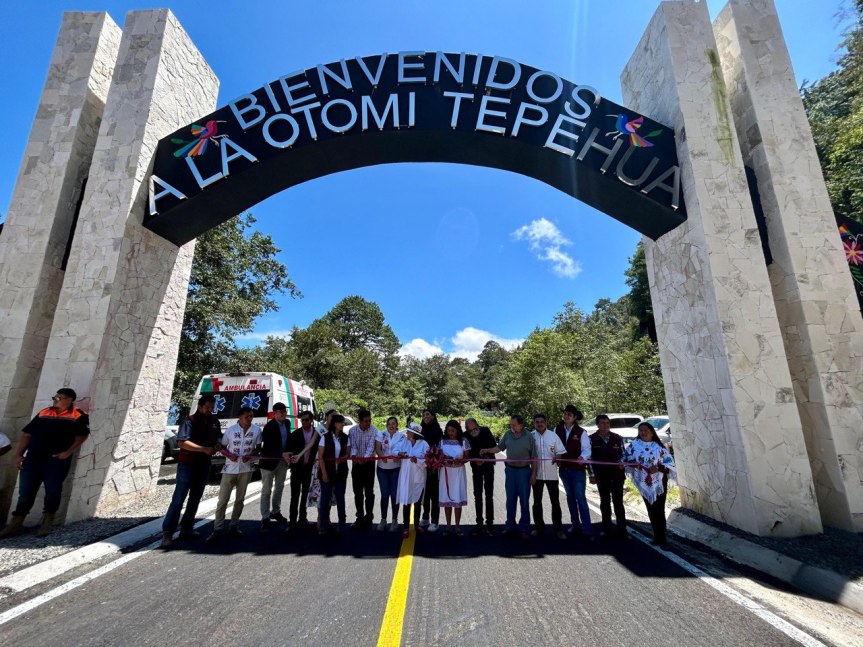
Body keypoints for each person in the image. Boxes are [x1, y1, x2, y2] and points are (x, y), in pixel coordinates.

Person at [0, 388, 90, 539]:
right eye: (55, 397)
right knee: (25, 492)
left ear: (69, 400)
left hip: (55, 461)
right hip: (33, 459)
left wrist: (68, 452)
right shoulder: (45, 412)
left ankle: (47, 522)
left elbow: (82, 436)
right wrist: (19, 454)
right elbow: (27, 434)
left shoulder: (78, 415)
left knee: (53, 491)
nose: (55, 400)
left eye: (59, 398)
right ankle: (16, 524)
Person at [160, 394, 222, 548]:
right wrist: (204, 449)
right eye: (207, 407)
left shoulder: (214, 421)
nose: (209, 410)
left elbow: (218, 437)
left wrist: (218, 444)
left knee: (195, 498)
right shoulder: (189, 421)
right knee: (178, 499)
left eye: (212, 408)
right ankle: (167, 532)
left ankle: (187, 528)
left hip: (204, 465)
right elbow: (182, 442)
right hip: (187, 465)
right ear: (200, 406)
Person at [207, 407, 262, 542]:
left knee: (240, 499)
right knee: (223, 500)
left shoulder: (256, 430)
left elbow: (258, 447)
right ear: (240, 417)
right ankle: (217, 528)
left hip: (246, 469)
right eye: (247, 416)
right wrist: (228, 455)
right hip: (229, 469)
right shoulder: (231, 430)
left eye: (251, 416)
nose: (250, 419)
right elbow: (222, 447)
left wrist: (251, 455)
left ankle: (234, 525)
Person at [480, 415, 537, 539]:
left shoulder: (529, 436)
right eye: (510, 424)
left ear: (521, 425)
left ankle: (524, 528)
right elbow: (499, 447)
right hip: (510, 471)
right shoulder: (508, 434)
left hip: (524, 472)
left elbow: (534, 457)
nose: (512, 427)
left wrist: (533, 474)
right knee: (510, 500)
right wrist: (487, 450)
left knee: (524, 501)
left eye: (514, 425)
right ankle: (509, 526)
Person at [624, 421, 676, 547]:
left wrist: (658, 468)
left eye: (646, 430)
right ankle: (656, 535)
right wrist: (634, 464)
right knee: (651, 509)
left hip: (659, 482)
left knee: (660, 509)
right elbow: (627, 459)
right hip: (644, 482)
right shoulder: (633, 446)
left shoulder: (659, 447)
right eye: (641, 430)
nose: (643, 432)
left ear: (652, 432)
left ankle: (662, 537)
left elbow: (669, 463)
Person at [555, 404, 593, 538]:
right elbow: (553, 446)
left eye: (569, 415)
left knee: (580, 498)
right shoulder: (557, 429)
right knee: (570, 497)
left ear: (575, 417)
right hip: (563, 469)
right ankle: (575, 525)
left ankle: (587, 529)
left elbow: (587, 449)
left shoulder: (581, 432)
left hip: (577, 470)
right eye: (565, 413)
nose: (566, 416)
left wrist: (582, 457)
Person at [589, 414, 628, 539]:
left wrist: (623, 462)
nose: (605, 425)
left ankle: (622, 530)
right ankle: (606, 529)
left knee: (618, 503)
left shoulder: (618, 438)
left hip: (617, 475)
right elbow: (589, 458)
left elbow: (624, 454)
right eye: (602, 423)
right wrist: (591, 474)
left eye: (607, 423)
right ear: (597, 425)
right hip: (601, 476)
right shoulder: (591, 439)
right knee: (605, 502)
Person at [530, 413, 567, 538]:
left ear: (546, 422)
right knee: (536, 502)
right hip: (536, 475)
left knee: (555, 502)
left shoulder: (553, 436)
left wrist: (558, 456)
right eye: (537, 422)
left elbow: (560, 452)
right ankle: (539, 528)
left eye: (542, 421)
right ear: (534, 423)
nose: (539, 424)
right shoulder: (530, 436)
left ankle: (558, 529)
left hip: (552, 475)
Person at [258, 402, 291, 531]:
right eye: (280, 412)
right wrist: (282, 453)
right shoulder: (269, 426)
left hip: (282, 462)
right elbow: (268, 445)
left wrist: (289, 453)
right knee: (266, 490)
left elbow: (288, 440)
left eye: (284, 411)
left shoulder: (287, 423)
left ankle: (276, 511)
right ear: (274, 413)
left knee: (279, 487)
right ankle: (265, 517)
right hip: (269, 462)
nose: (283, 414)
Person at [286, 410, 321, 531]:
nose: (304, 422)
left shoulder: (317, 434)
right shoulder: (295, 434)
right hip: (296, 469)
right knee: (294, 496)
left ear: (311, 420)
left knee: (306, 495)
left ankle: (302, 518)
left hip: (310, 469)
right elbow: (289, 450)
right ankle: (292, 521)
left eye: (307, 420)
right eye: (302, 420)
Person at [464, 417, 497, 535]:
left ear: (477, 425)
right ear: (467, 430)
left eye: (475, 428)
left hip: (488, 465)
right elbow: (467, 451)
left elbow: (493, 446)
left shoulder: (486, 430)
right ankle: (479, 523)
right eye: (470, 430)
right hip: (476, 467)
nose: (473, 431)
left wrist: (485, 456)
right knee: (477, 494)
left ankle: (490, 523)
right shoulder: (465, 436)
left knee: (489, 495)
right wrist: (475, 459)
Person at [317, 414, 350, 534]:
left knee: (340, 498)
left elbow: (348, 453)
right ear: (335, 424)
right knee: (325, 499)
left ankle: (342, 524)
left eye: (343, 422)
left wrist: (343, 458)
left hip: (341, 473)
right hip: (327, 472)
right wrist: (324, 473)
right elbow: (320, 457)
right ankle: (322, 525)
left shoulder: (346, 437)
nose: (343, 424)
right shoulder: (325, 437)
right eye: (341, 422)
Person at [395, 423, 428, 538]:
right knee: (407, 502)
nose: (407, 433)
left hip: (419, 476)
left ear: (414, 433)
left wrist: (417, 461)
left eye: (409, 431)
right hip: (406, 476)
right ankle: (405, 528)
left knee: (417, 502)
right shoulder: (404, 441)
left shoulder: (424, 444)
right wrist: (399, 453)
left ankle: (416, 525)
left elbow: (427, 461)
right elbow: (395, 449)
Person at [375, 416, 406, 532]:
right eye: (389, 424)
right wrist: (382, 456)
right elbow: (378, 448)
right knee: (384, 495)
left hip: (395, 469)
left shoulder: (402, 436)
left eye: (393, 423)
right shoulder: (381, 434)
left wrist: (400, 456)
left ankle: (394, 520)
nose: (391, 426)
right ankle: (383, 520)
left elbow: (403, 450)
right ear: (386, 425)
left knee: (394, 495)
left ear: (397, 425)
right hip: (382, 469)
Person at [439, 420, 470, 536]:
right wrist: (443, 459)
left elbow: (467, 457)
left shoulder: (463, 440)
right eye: (448, 430)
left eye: (453, 431)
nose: (450, 433)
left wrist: (460, 461)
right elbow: (439, 455)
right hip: (445, 472)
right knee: (446, 498)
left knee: (457, 498)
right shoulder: (442, 441)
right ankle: (448, 526)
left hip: (458, 473)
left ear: (457, 430)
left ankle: (457, 526)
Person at [348, 409, 378, 530]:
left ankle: (369, 517)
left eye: (370, 420)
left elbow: (371, 447)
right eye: (366, 421)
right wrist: (355, 457)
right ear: (360, 421)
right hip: (357, 465)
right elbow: (353, 446)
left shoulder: (374, 430)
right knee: (358, 493)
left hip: (369, 464)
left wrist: (364, 459)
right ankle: (359, 517)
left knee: (369, 492)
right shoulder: (352, 431)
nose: (368, 423)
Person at [419, 409, 443, 532]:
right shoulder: (421, 430)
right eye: (423, 415)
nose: (425, 416)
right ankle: (425, 518)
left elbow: (438, 447)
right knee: (425, 493)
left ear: (433, 416)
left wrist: (433, 461)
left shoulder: (437, 430)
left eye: (427, 414)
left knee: (434, 494)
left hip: (433, 466)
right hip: (422, 466)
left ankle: (435, 521)